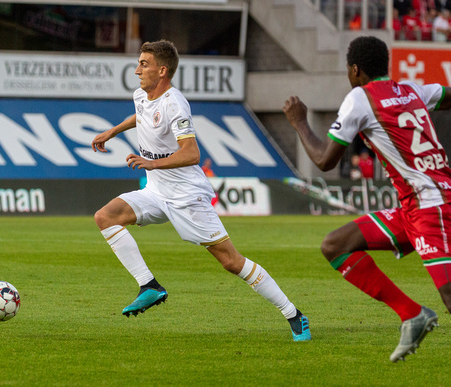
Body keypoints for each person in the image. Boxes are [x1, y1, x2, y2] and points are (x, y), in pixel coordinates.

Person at [91, 40, 311, 341]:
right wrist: (113, 131)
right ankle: (149, 286)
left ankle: (294, 315)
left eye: (144, 64)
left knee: (231, 262)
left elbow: (191, 153)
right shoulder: (141, 95)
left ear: (162, 70)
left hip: (186, 195)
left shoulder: (175, 104)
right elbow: (141, 115)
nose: (137, 70)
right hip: (156, 191)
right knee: (106, 217)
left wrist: (151, 164)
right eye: (139, 62)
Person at [283, 36, 451, 362]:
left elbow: (324, 161)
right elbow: (447, 96)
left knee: (449, 294)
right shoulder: (414, 91)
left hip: (432, 204)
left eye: (349, 71)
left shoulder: (360, 98)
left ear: (356, 70)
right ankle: (412, 314)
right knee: (336, 245)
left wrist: (300, 122)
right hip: (413, 207)